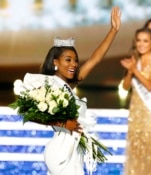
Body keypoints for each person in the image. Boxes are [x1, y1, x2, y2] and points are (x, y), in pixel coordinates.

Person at [35, 7, 121, 175]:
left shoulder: (69, 85)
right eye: (68, 60)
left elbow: (95, 59)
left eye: (75, 60)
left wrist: (114, 30)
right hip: (60, 151)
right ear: (55, 62)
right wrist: (64, 124)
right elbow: (32, 114)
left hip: (74, 149)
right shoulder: (48, 85)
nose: (74, 64)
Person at [120, 27, 151, 175]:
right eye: (138, 40)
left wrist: (135, 70)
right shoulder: (134, 60)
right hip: (135, 112)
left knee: (148, 150)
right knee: (134, 148)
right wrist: (130, 71)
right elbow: (125, 86)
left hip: (150, 113)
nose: (141, 44)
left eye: (145, 41)